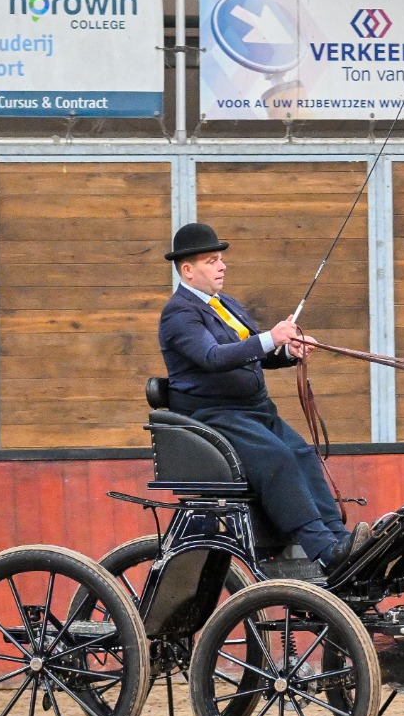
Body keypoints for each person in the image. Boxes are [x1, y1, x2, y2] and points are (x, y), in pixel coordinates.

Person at [157, 221, 367, 572]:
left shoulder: (225, 305)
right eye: (211, 261)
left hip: (253, 410)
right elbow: (213, 357)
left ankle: (339, 538)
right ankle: (322, 549)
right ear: (188, 270)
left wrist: (288, 352)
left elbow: (255, 353)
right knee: (279, 458)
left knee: (301, 452)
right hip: (216, 414)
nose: (222, 266)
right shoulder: (179, 314)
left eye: (220, 259)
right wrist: (271, 336)